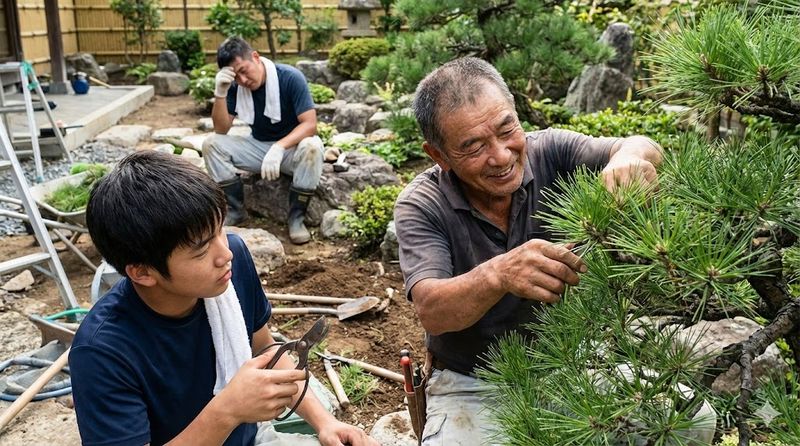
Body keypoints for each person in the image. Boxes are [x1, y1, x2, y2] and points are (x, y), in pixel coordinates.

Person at [394, 57, 663, 444]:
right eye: (473, 147)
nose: (501, 156)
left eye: (507, 130)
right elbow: (432, 310)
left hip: (575, 360)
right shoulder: (421, 204)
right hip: (472, 381)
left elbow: (641, 144)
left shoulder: (551, 151)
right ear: (439, 156)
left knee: (690, 419)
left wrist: (629, 159)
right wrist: (498, 274)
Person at [70, 151, 376, 446]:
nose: (225, 253)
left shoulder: (232, 262)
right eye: (202, 250)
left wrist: (325, 423)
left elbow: (265, 347)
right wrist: (227, 410)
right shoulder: (101, 352)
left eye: (221, 230)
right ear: (142, 272)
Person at [203, 36, 324, 244]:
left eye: (243, 70)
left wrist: (279, 147)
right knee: (211, 144)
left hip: (292, 148)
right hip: (258, 147)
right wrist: (221, 92)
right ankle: (236, 210)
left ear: (256, 57)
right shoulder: (235, 87)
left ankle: (296, 218)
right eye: (235, 76)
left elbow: (310, 124)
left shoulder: (290, 77)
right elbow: (221, 129)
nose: (242, 81)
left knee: (312, 146)